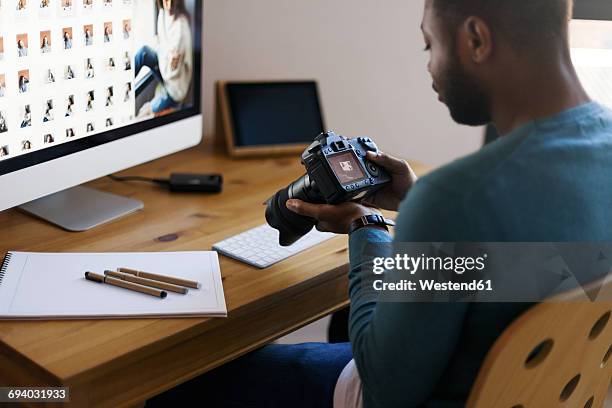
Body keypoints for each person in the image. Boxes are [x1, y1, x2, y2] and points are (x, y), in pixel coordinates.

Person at [147, 1, 612, 407]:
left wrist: (365, 226)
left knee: (174, 381)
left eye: (430, 45)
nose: (429, 66)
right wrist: (417, 205)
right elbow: (554, 267)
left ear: (475, 38)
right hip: (542, 388)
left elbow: (385, 389)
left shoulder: (455, 197)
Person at [134, 0, 193, 113]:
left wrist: (161, 55)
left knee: (146, 112)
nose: (168, 4)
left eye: (172, 1)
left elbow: (170, 73)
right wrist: (163, 54)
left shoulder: (181, 28)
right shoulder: (163, 13)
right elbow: (160, 44)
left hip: (174, 85)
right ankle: (124, 83)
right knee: (143, 52)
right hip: (164, 66)